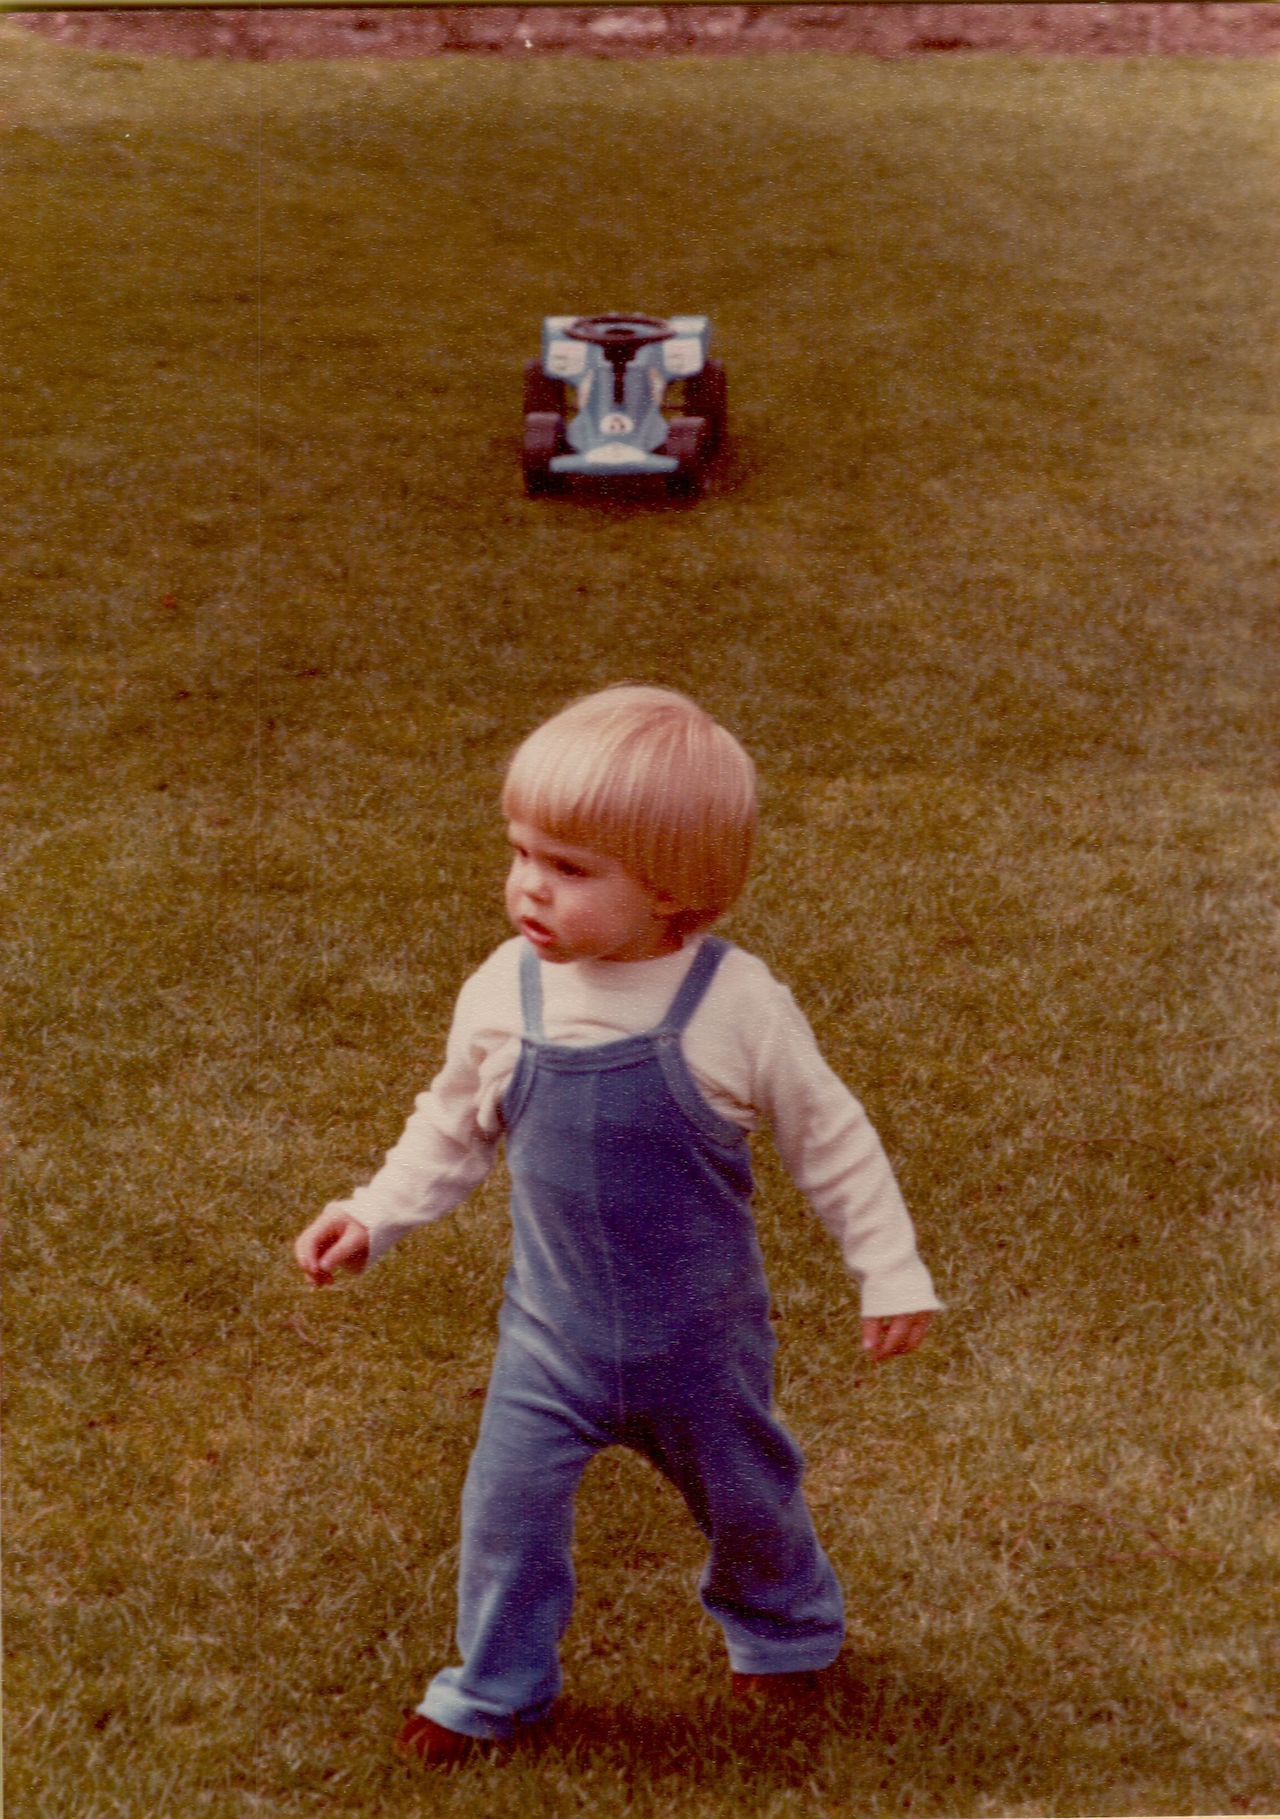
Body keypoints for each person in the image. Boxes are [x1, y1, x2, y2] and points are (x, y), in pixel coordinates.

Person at [293, 684, 940, 1767]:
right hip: (551, 1338)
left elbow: (830, 1137)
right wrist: (371, 1213)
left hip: (702, 1341)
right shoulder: (504, 993)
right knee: (505, 1513)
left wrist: (889, 1269)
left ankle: (786, 1635)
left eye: (571, 868)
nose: (528, 888)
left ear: (675, 888)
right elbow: (450, 1128)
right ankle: (495, 1686)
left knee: (747, 1496)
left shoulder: (733, 1007)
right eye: (520, 852)